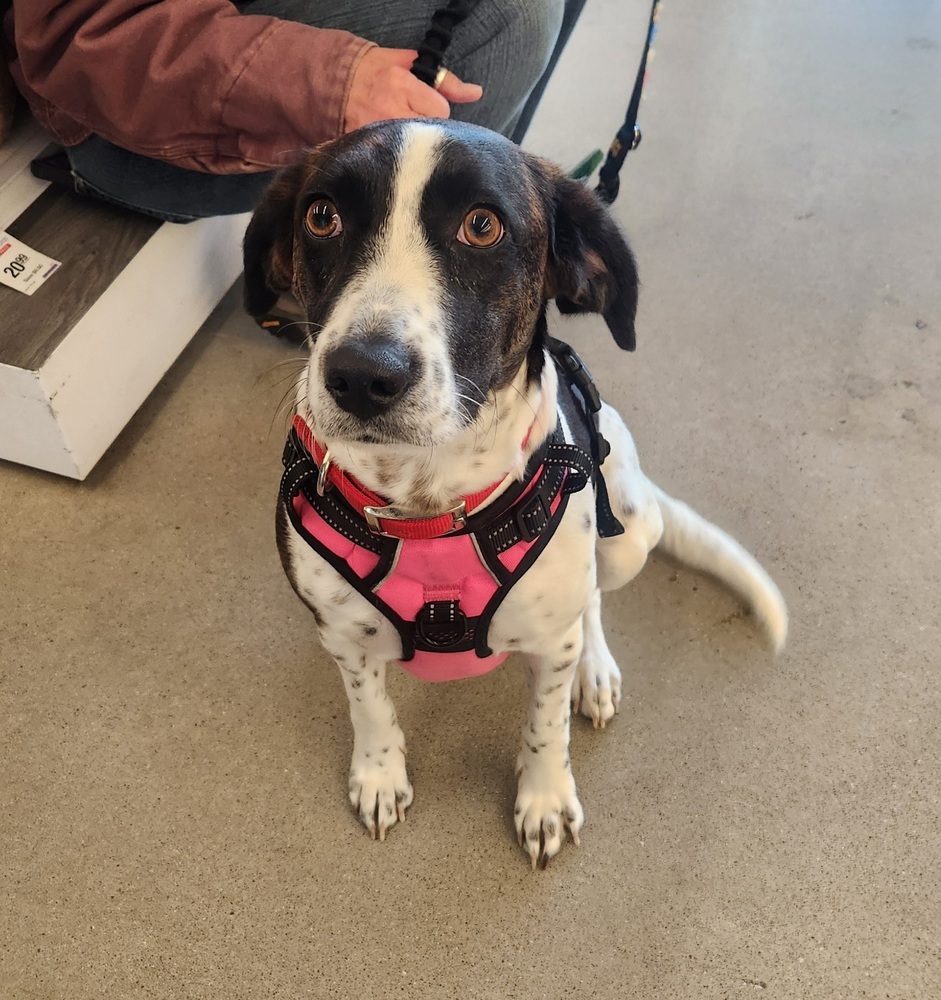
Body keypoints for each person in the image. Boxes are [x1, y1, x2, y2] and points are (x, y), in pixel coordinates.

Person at [3, 0, 586, 223]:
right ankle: (399, 309)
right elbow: (80, 34)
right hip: (119, 104)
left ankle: (483, 232)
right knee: (509, 15)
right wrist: (333, 83)